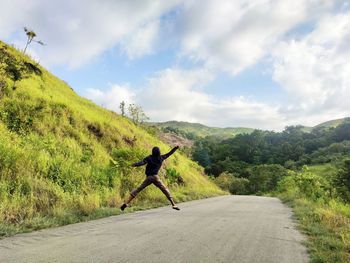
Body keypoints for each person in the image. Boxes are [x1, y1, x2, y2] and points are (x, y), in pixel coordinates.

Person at [120, 146, 181, 211]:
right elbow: (169, 153)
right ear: (159, 152)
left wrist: (135, 164)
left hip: (149, 178)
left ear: (152, 152)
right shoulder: (161, 158)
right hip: (156, 177)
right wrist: (175, 148)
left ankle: (126, 203)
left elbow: (142, 162)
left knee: (139, 189)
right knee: (164, 189)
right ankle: (173, 204)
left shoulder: (149, 158)